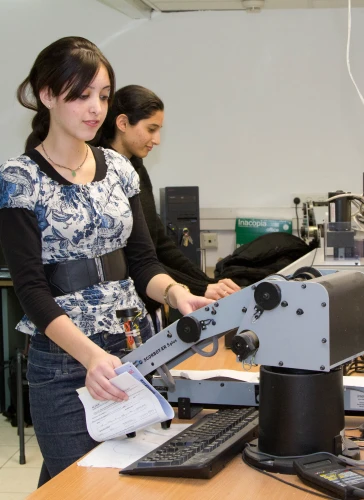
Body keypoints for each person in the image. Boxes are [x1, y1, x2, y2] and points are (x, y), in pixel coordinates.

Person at [0, 36, 212, 486]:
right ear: (47, 96)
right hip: (65, 361)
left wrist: (177, 292)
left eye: (101, 95)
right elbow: (31, 290)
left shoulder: (119, 167)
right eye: (80, 95)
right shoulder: (18, 179)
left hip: (131, 346)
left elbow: (142, 262)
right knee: (83, 486)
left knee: (121, 482)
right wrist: (91, 356)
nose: (95, 108)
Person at [96, 84, 240, 311]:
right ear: (123, 123)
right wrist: (199, 288)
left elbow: (159, 244)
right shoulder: (99, 175)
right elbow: (133, 260)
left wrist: (209, 284)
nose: (157, 139)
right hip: (120, 308)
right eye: (151, 129)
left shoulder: (137, 169)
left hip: (149, 303)